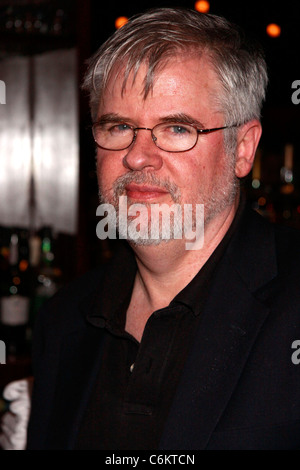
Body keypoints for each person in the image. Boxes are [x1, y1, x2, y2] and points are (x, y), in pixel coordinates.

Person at [26, 7, 300, 450]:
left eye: (175, 128)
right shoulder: (64, 320)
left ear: (242, 149)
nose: (137, 156)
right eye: (118, 127)